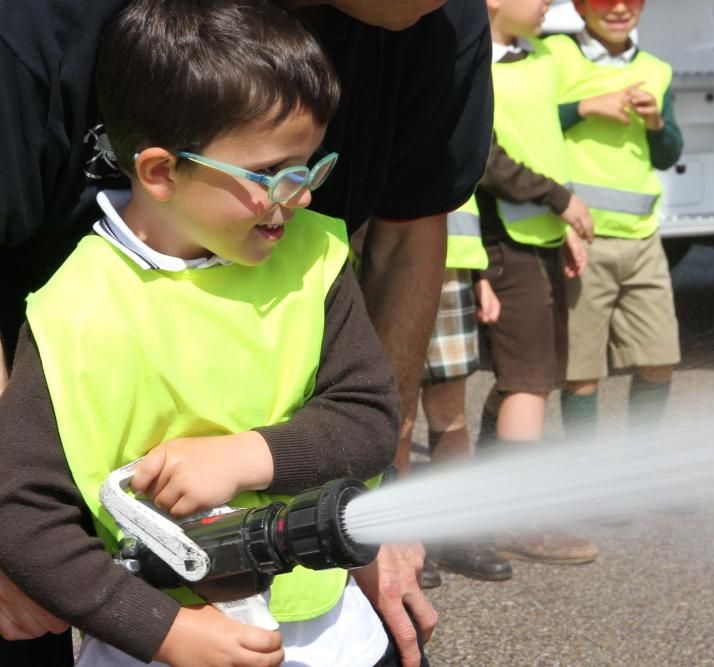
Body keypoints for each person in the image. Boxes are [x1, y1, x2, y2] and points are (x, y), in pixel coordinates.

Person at [0, 0, 491, 663]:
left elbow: (370, 417)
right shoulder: (70, 313)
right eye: (272, 175)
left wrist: (247, 457)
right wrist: (163, 631)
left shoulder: (316, 263)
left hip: (333, 634)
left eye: (312, 167)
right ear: (160, 171)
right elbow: (24, 511)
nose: (304, 197)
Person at [476, 0, 598, 566]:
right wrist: (559, 199)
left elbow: (542, 143)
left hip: (544, 241)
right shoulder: (475, 66)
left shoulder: (537, 56)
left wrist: (564, 223)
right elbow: (487, 161)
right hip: (508, 246)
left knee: (529, 379)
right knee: (527, 383)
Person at [547, 0, 683, 440]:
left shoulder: (658, 70)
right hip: (584, 241)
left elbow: (669, 154)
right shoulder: (555, 56)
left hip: (644, 241)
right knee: (582, 372)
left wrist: (658, 124)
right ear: (581, 7)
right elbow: (528, 125)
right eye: (605, 0)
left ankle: (637, 469)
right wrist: (585, 107)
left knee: (659, 360)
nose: (621, 8)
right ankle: (587, 476)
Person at [396, 199, 513, 585]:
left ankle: (454, 534)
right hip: (391, 260)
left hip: (454, 265)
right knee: (400, 412)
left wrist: (480, 276)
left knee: (450, 409)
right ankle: (398, 538)